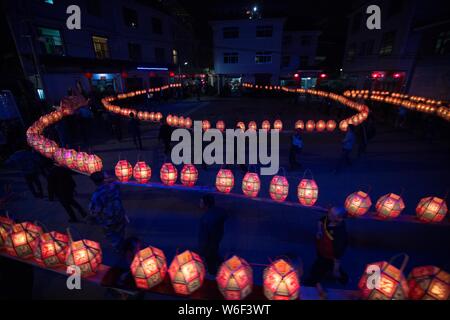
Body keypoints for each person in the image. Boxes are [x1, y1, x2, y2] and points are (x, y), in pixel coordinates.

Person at [305, 206, 349, 299]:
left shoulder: (339, 234)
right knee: (325, 265)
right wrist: (319, 231)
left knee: (319, 268)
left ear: (339, 218)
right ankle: (339, 276)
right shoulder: (328, 219)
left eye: (332, 215)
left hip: (329, 255)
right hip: (322, 249)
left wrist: (336, 269)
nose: (328, 215)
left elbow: (337, 254)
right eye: (329, 213)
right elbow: (320, 221)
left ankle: (314, 280)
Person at [89, 171, 128, 251]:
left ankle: (119, 248)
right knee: (121, 231)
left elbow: (95, 211)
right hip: (119, 214)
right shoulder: (114, 186)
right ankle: (122, 243)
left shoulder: (97, 195)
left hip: (108, 220)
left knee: (112, 235)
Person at [198, 194, 228, 275]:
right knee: (215, 258)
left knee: (211, 263)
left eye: (201, 202)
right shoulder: (214, 214)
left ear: (206, 203)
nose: (200, 204)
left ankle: (220, 275)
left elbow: (206, 234)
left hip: (209, 245)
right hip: (213, 244)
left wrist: (203, 247)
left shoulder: (209, 217)